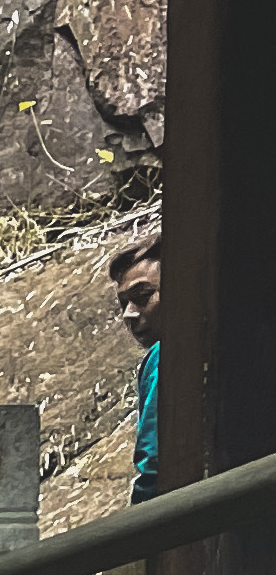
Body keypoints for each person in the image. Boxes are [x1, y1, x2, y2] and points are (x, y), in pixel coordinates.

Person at [113, 211, 161, 501]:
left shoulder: (163, 357)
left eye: (143, 296)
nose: (128, 313)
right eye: (123, 303)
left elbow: (153, 459)